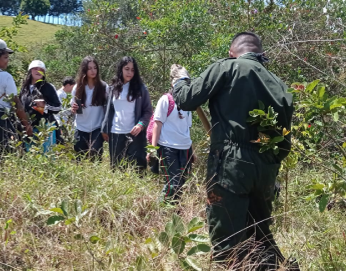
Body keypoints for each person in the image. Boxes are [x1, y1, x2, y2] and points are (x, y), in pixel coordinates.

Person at [171, 32, 297, 269]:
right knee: (259, 234)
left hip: (231, 163)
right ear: (261, 53)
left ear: (232, 53)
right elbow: (283, 141)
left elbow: (187, 100)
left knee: (226, 240)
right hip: (267, 168)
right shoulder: (278, 84)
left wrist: (180, 81)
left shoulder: (227, 67)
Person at [101, 56, 153, 171]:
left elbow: (148, 110)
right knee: (117, 169)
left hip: (135, 134)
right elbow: (108, 110)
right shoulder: (112, 88)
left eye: (132, 70)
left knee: (138, 169)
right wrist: (105, 128)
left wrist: (140, 124)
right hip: (116, 133)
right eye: (127, 69)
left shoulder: (141, 88)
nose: (129, 72)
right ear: (121, 69)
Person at [146, 86, 196, 203]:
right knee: (173, 184)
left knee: (182, 183)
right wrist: (152, 149)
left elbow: (187, 129)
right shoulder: (165, 100)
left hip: (185, 148)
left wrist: (192, 151)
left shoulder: (188, 104)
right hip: (168, 147)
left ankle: (174, 209)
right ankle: (161, 208)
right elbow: (157, 125)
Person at [70, 56, 109, 160]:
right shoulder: (77, 87)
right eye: (90, 68)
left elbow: (108, 108)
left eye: (95, 68)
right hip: (80, 127)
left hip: (97, 127)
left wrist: (106, 128)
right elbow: (72, 108)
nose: (93, 71)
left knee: (95, 156)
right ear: (84, 70)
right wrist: (73, 108)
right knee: (80, 158)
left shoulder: (103, 87)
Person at [19, 60, 61, 153]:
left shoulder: (48, 87)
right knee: (30, 155)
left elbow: (58, 108)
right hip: (28, 128)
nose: (38, 71)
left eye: (41, 69)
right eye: (35, 69)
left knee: (46, 155)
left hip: (45, 128)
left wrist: (44, 106)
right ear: (30, 70)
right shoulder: (24, 88)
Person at [55, 76, 76, 145]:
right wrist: (71, 110)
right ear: (68, 85)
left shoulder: (62, 93)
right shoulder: (60, 94)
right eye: (72, 87)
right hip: (60, 122)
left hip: (63, 122)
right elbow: (59, 111)